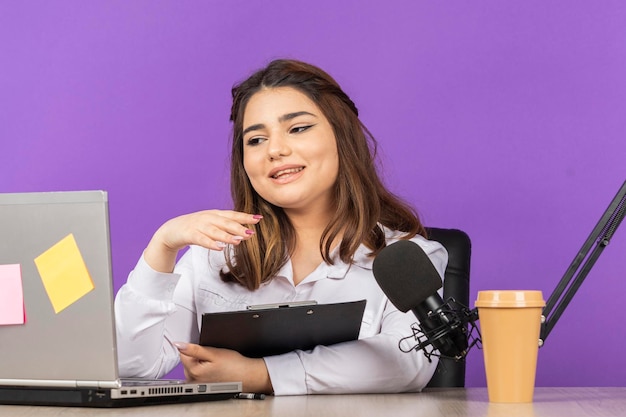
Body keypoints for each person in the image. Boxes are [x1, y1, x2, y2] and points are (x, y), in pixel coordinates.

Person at [114, 59, 448, 396]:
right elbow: (133, 367)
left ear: (342, 136)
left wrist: (261, 374)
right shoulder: (212, 256)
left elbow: (408, 362)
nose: (275, 150)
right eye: (256, 139)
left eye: (298, 128)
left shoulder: (406, 259)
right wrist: (163, 245)